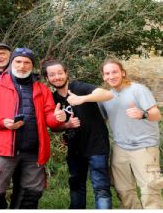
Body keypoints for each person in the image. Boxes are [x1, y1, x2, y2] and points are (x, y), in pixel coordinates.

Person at [0, 47, 65, 209]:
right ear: (12, 63)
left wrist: (57, 118)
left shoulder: (42, 89)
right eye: (18, 62)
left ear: (32, 65)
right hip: (3, 151)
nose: (22, 66)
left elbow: (49, 116)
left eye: (26, 63)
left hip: (33, 151)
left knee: (31, 194)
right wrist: (1, 122)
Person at [42, 59, 115, 209]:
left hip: (96, 145)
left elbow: (107, 94)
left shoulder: (79, 87)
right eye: (52, 75)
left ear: (66, 73)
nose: (57, 77)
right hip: (75, 149)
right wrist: (66, 124)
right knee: (76, 186)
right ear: (47, 78)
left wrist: (83, 98)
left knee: (101, 187)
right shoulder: (53, 98)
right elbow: (54, 128)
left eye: (60, 73)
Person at [99, 59, 163, 209]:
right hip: (120, 148)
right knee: (124, 191)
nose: (111, 76)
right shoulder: (106, 97)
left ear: (122, 73)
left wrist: (142, 114)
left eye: (114, 72)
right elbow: (100, 121)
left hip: (144, 147)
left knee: (150, 189)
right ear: (103, 77)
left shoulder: (138, 90)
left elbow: (157, 114)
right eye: (107, 73)